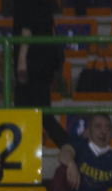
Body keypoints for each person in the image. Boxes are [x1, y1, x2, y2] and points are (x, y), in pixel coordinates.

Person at [13, 0, 70, 148]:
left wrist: (21, 60)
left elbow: (27, 30)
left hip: (33, 62)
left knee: (28, 112)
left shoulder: (26, 4)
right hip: (44, 61)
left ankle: (70, 147)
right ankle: (69, 146)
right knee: (42, 114)